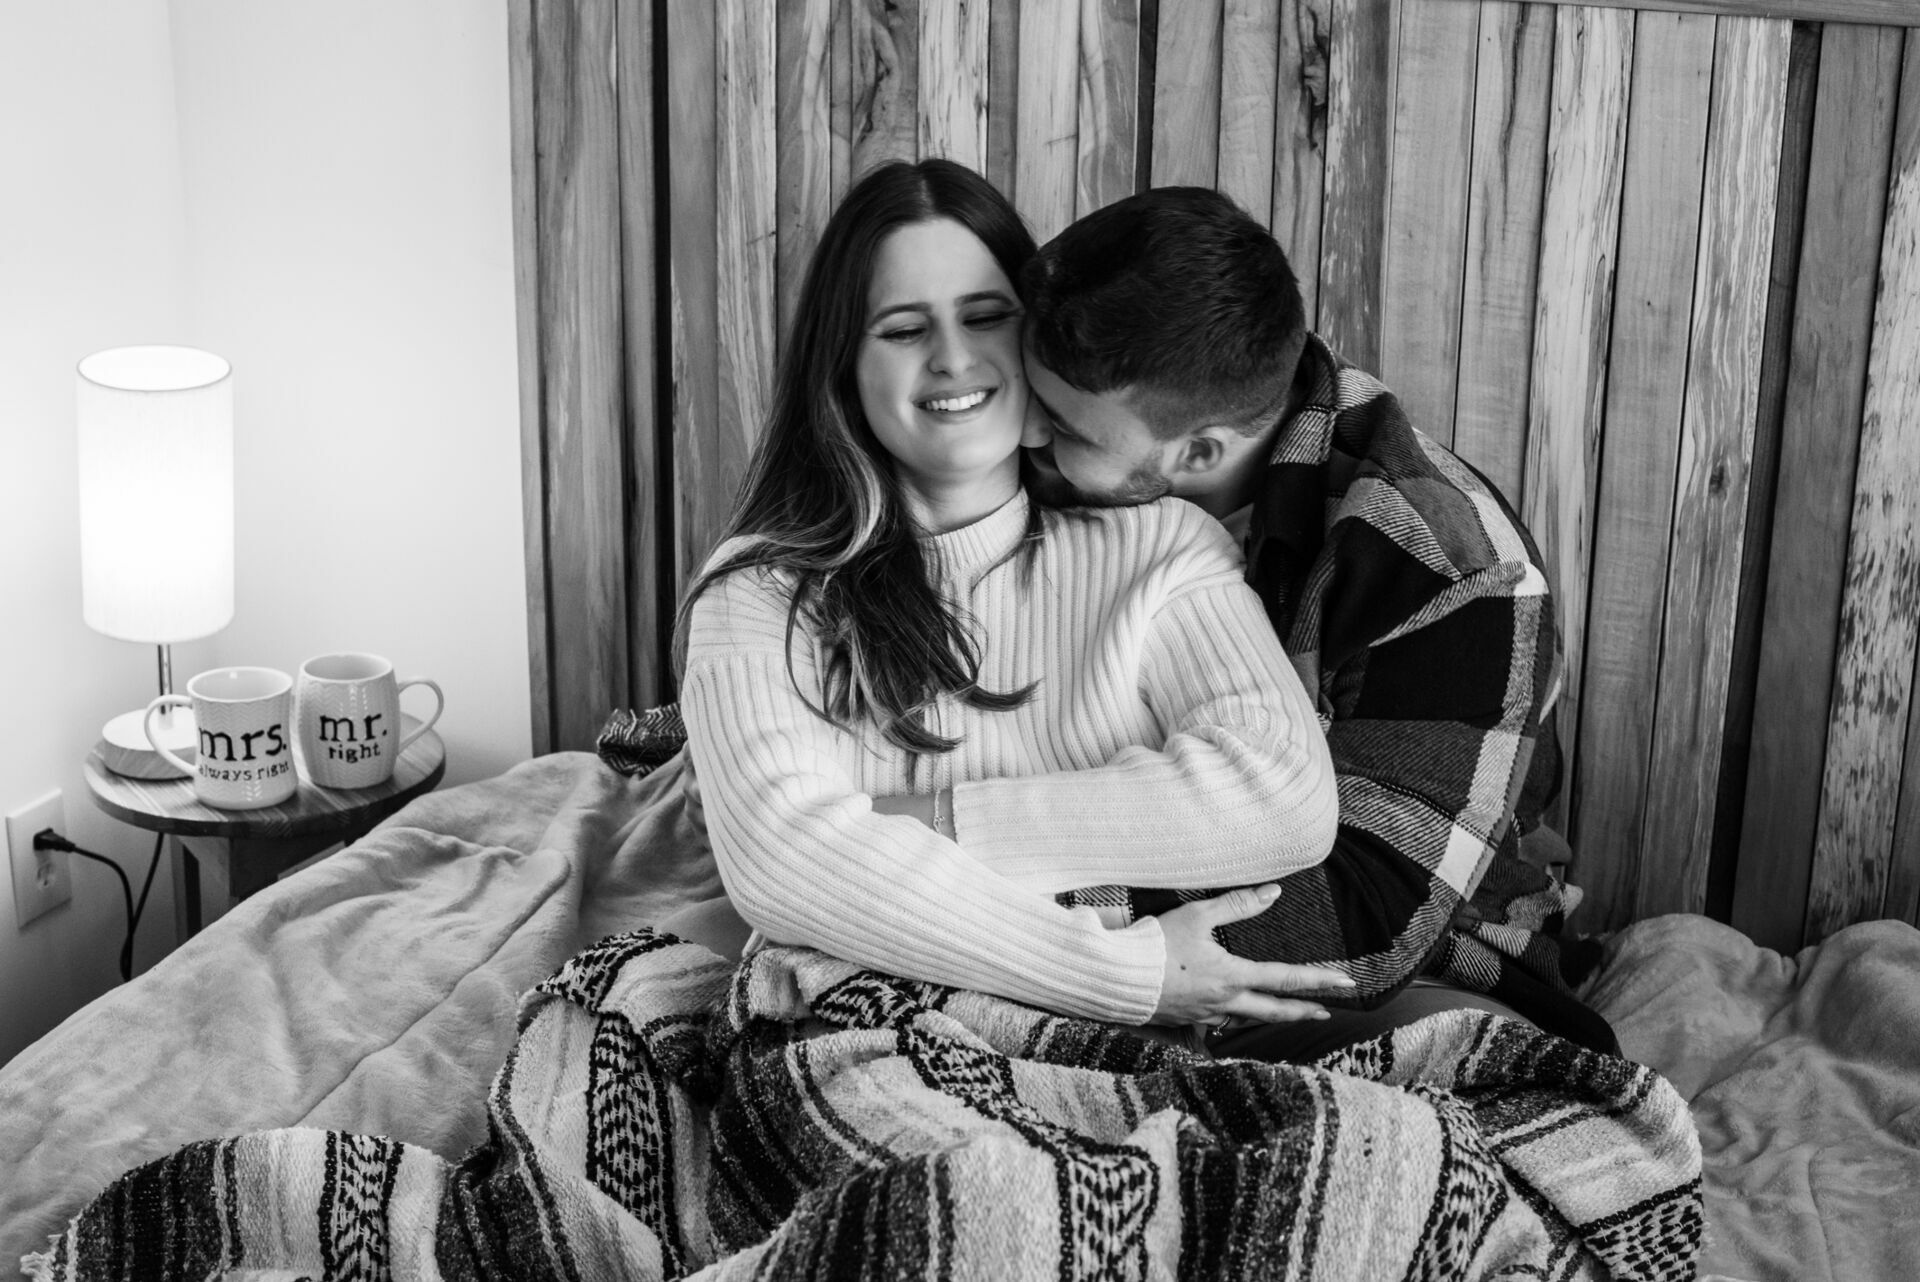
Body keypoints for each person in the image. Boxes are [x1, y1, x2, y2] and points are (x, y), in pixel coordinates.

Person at [674, 159, 1350, 1028]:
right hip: (872, 1025)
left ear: (1036, 345)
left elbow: (1282, 800)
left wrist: (920, 823)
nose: (953, 358)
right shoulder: (763, 588)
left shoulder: (1162, 546)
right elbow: (783, 866)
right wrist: (1118, 974)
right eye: (903, 328)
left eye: (985, 317)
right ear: (843, 367)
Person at [1018, 185, 1617, 1056]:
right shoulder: (1066, 463)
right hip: (1104, 891)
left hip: (1407, 952)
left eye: (1064, 426)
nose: (1026, 433)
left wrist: (1001, 915)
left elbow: (1372, 916)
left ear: (1198, 453)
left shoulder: (1451, 568)